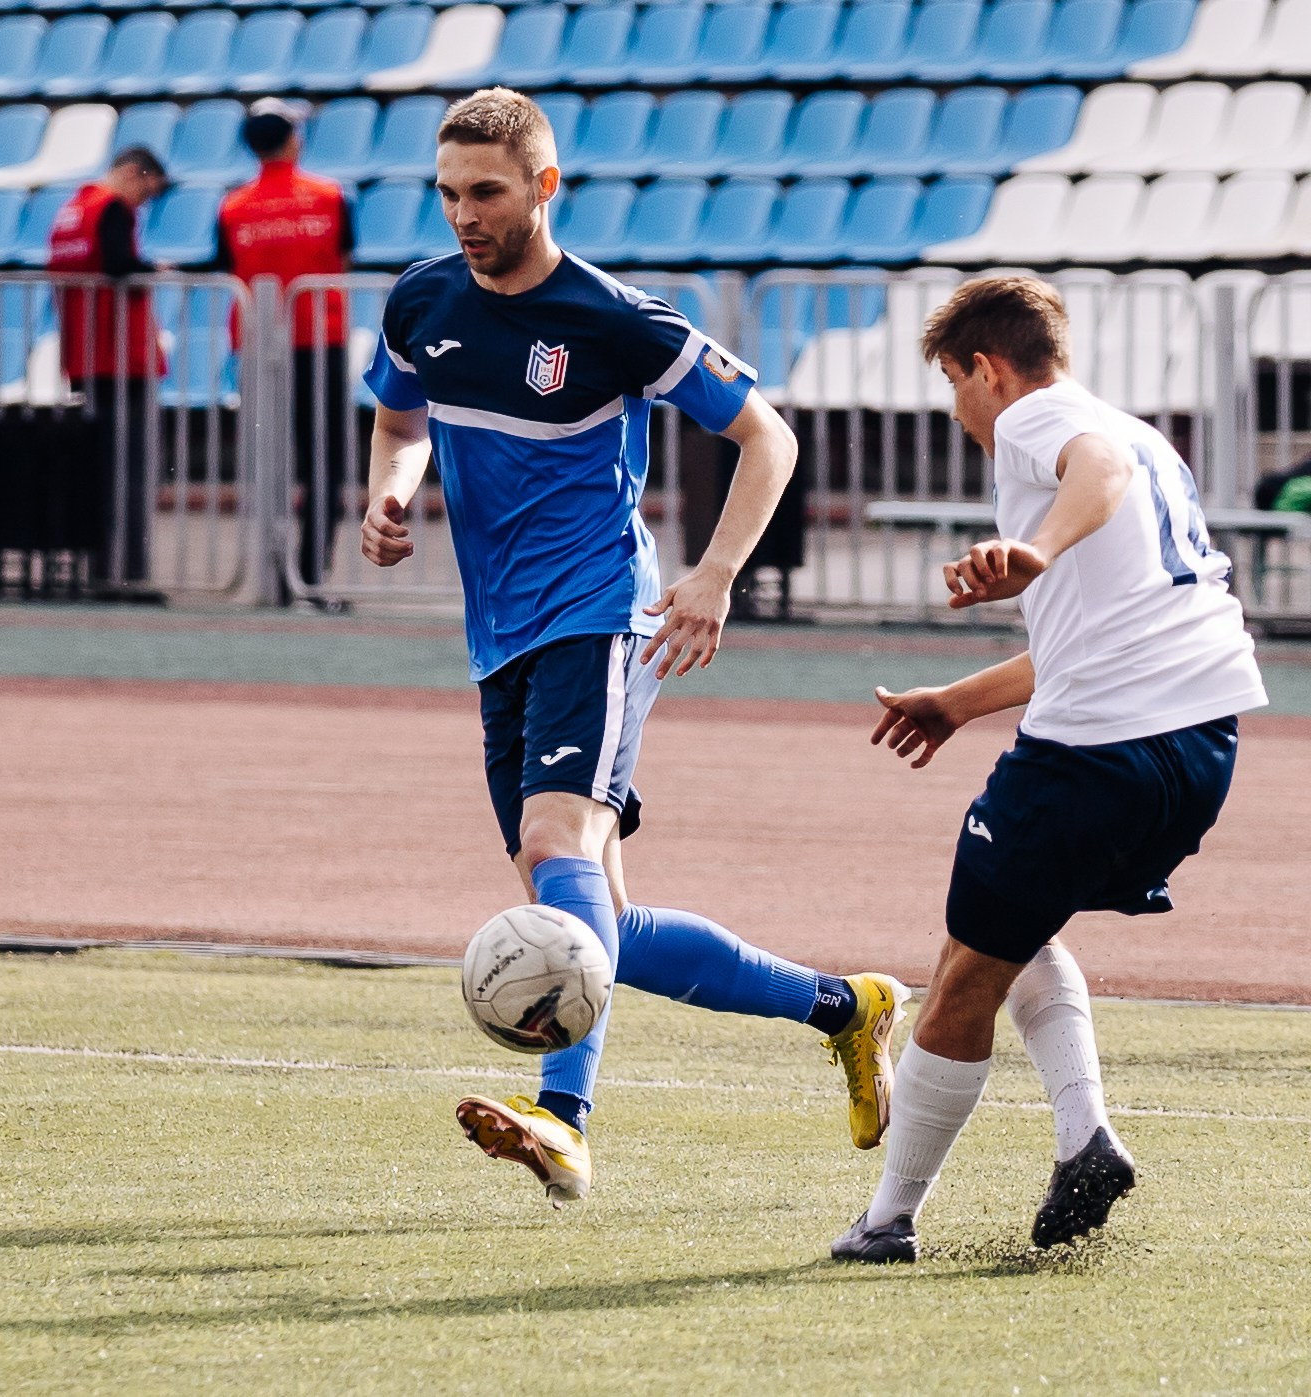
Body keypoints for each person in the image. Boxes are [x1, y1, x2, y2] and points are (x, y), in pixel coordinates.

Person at [359, 88, 906, 1206]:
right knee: (588, 904)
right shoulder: (419, 299)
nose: (464, 214)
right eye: (449, 192)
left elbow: (769, 436)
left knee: (557, 842)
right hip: (497, 630)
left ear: (544, 187)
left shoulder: (612, 317)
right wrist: (390, 491)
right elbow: (399, 413)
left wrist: (711, 575)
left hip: (601, 609)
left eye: (488, 192)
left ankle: (564, 1123)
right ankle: (847, 1009)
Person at [829, 278, 1270, 1263]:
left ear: (987, 368)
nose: (958, 409)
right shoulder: (1151, 438)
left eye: (954, 383)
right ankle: (1085, 1139)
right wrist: (958, 699)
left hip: (1096, 750)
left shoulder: (1048, 420)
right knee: (1013, 927)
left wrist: (1031, 546)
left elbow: (1092, 468)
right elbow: (1095, 630)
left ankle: (887, 1219)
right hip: (1200, 747)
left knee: (959, 974)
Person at [210, 98, 356, 593]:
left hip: (257, 344)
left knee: (268, 457)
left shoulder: (232, 206)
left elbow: (226, 265)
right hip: (320, 341)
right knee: (323, 461)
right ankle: (309, 574)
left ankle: (270, 574)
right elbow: (345, 258)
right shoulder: (330, 196)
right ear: (293, 139)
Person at [49, 146, 169, 590]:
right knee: (129, 470)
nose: (143, 204)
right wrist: (153, 268)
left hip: (82, 353)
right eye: (147, 192)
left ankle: (100, 566)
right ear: (134, 175)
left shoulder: (69, 212)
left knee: (98, 468)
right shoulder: (111, 208)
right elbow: (119, 265)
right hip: (121, 357)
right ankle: (127, 573)